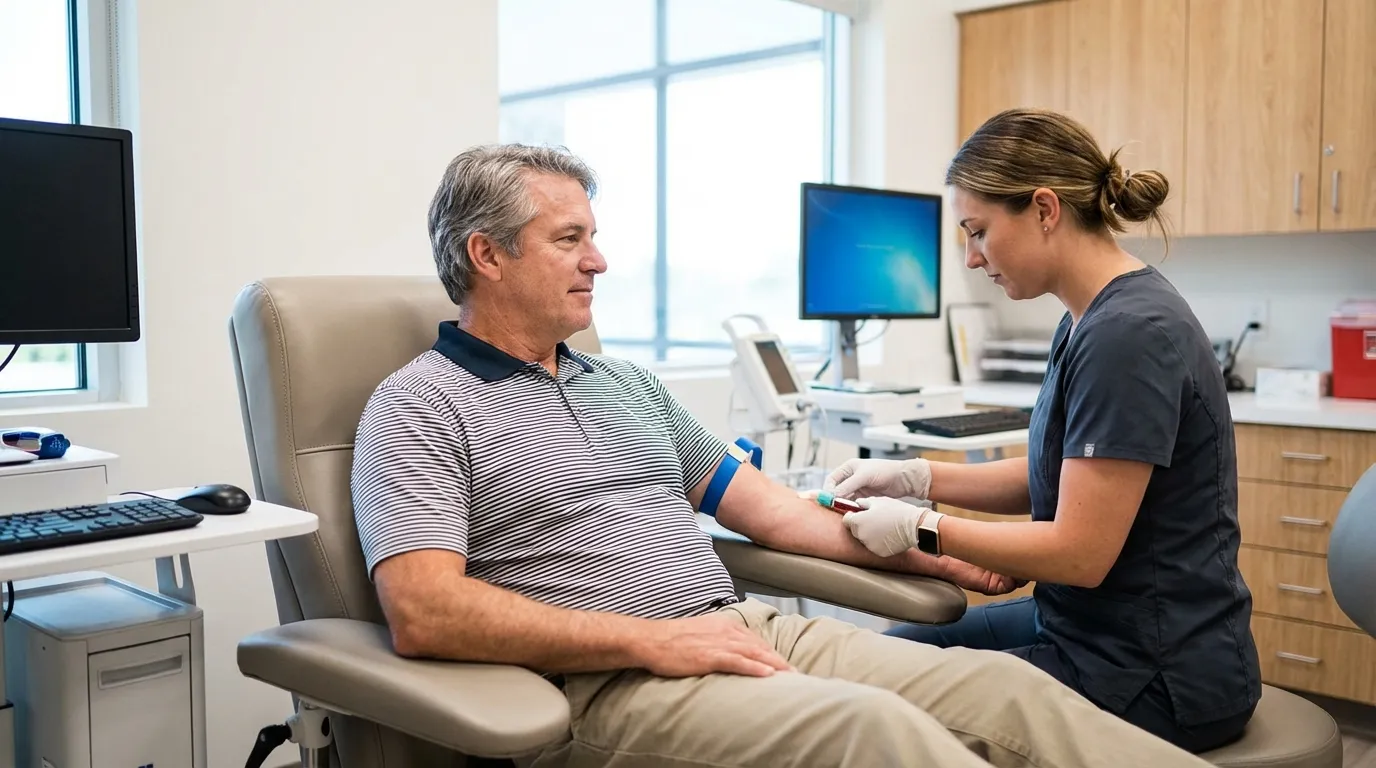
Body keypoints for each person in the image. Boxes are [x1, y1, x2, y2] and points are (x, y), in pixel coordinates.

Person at [349, 142, 1218, 768]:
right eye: (569, 239)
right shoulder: (419, 405)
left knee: (1012, 696)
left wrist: (936, 542)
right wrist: (652, 643)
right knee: (874, 733)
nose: (600, 260)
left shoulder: (628, 385)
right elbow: (425, 612)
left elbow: (776, 513)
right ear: (486, 255)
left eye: (593, 236)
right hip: (609, 682)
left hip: (750, 633)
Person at [827, 108, 1262, 753]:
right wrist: (917, 474)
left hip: (1152, 672)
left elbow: (1079, 555)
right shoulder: (1085, 319)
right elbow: (1053, 478)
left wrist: (922, 526)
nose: (972, 260)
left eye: (978, 233)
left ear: (1044, 209)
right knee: (887, 658)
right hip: (1088, 630)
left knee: (881, 713)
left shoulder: (1128, 335)